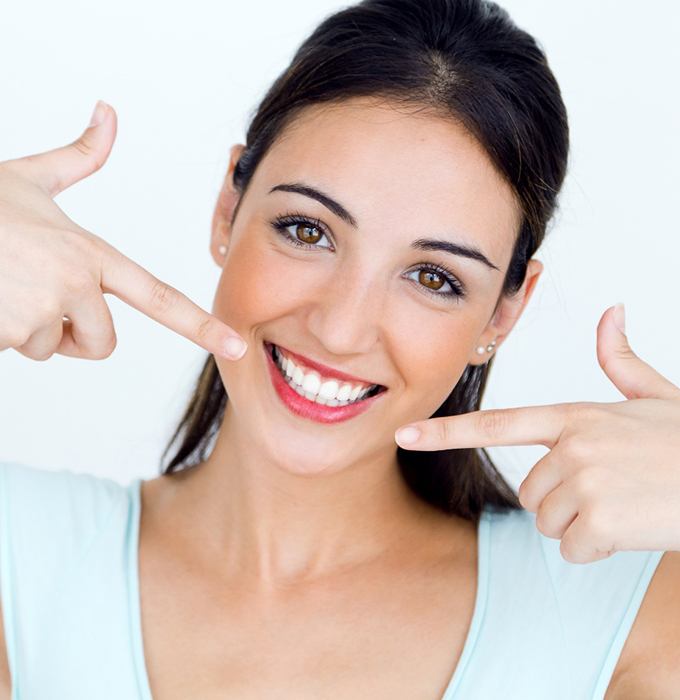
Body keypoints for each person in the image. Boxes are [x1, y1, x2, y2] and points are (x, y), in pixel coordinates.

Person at [1, 0, 679, 697]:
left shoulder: (619, 615)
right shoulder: (19, 559)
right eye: (307, 230)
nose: (341, 330)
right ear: (227, 211)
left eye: (432, 277)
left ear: (503, 313)